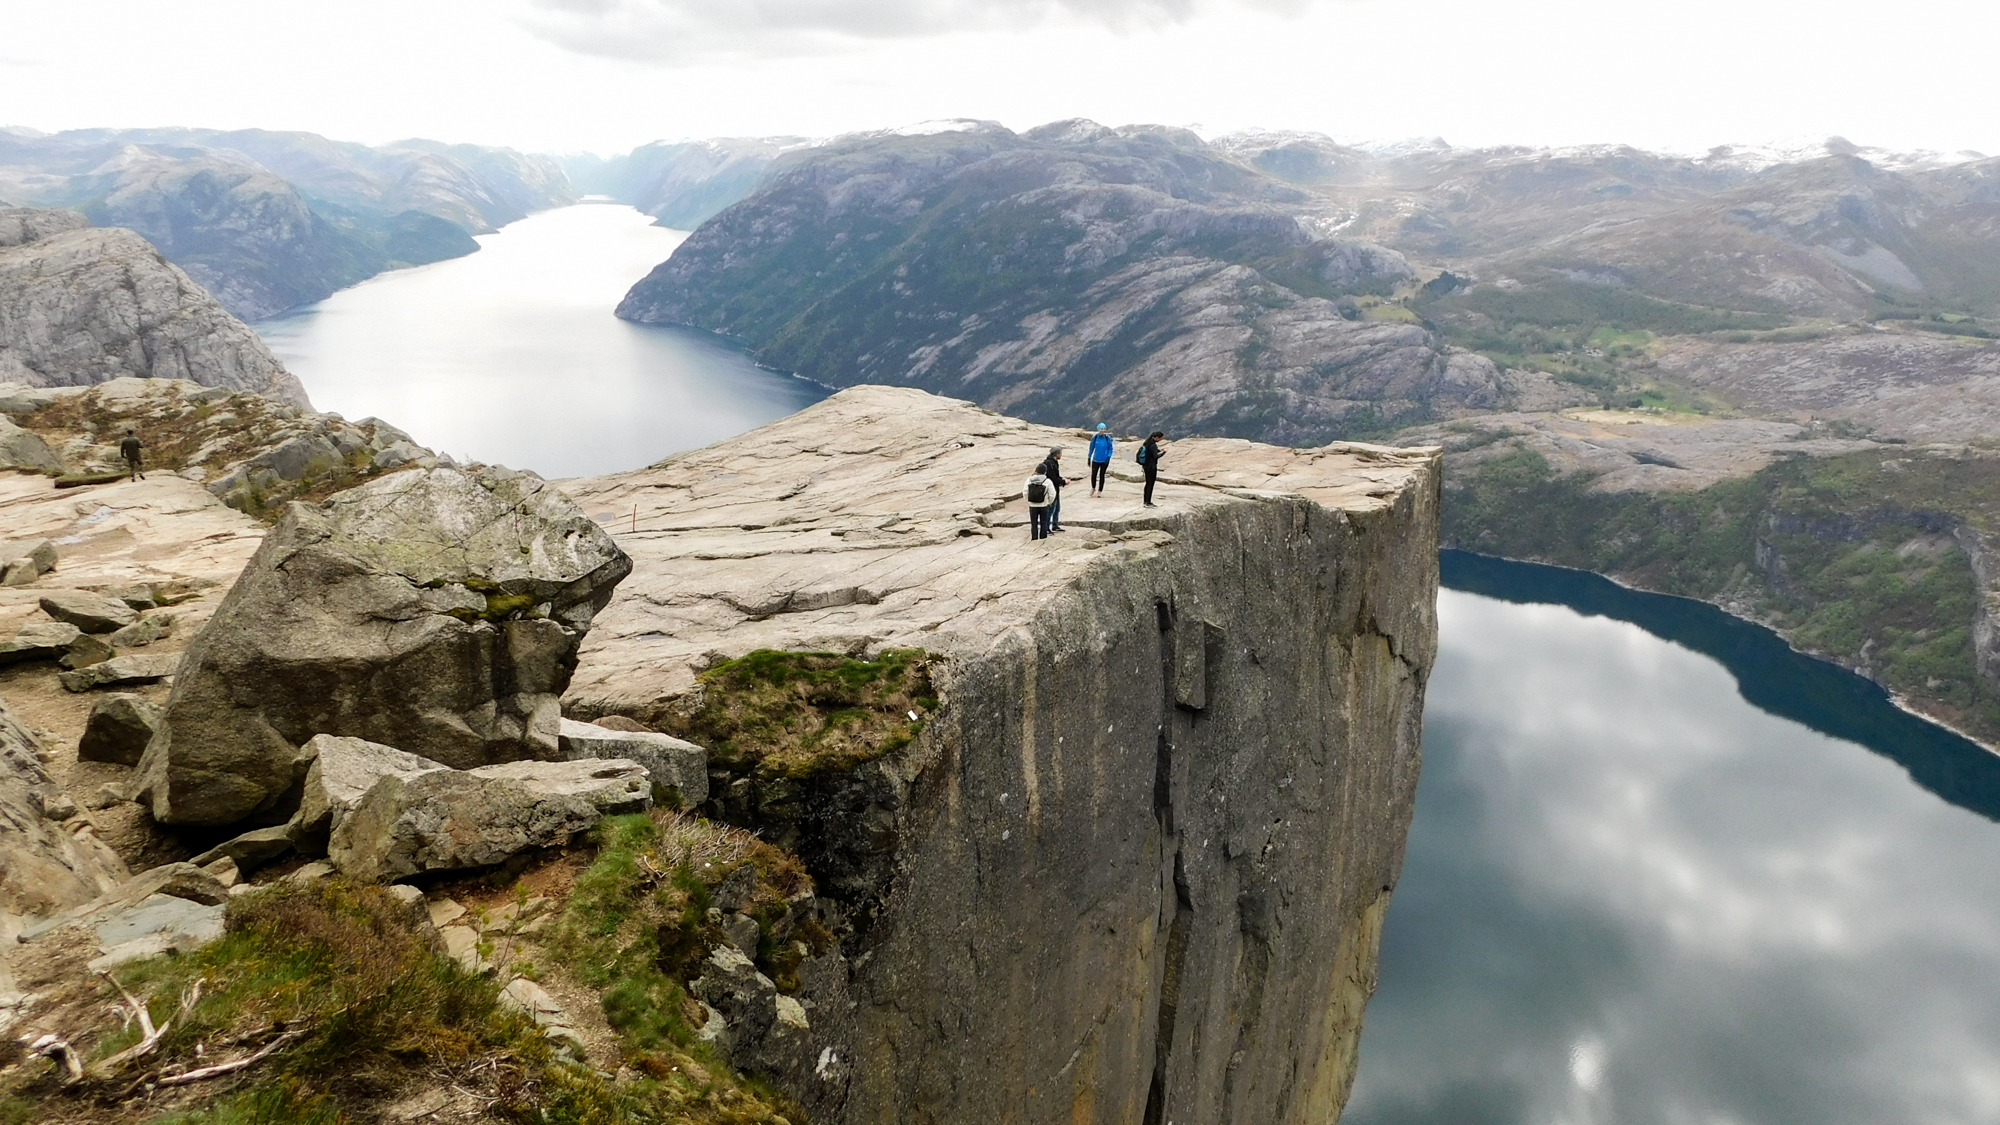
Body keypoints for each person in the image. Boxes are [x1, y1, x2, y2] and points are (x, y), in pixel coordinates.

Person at [1035, 446, 1072, 532]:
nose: (1061, 455)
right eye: (1060, 453)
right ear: (1057, 454)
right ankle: (1046, 527)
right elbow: (1052, 478)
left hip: (1056, 488)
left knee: (1057, 508)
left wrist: (1063, 479)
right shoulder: (1049, 464)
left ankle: (1055, 525)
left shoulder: (1054, 462)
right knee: (1051, 508)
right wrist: (1063, 482)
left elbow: (1056, 476)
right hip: (1051, 489)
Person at [1025, 462, 1056, 540]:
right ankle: (1043, 539)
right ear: (1045, 472)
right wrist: (1048, 502)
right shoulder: (1047, 481)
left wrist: (1028, 502)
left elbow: (1025, 492)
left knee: (1034, 523)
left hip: (1032, 505)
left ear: (1036, 471)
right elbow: (1052, 494)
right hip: (1044, 505)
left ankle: (1034, 538)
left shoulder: (1029, 480)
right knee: (1044, 522)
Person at [1138, 431, 1165, 506]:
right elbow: (1155, 456)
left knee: (1147, 483)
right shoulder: (1153, 445)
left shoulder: (1147, 443)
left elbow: (1150, 452)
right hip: (1151, 467)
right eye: (1161, 438)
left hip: (1146, 466)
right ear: (1157, 437)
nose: (1161, 440)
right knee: (1150, 484)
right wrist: (1164, 453)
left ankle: (1145, 501)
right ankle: (1148, 502)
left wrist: (1159, 450)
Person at [1087, 423, 1113, 496]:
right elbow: (1091, 448)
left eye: (1104, 429)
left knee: (1102, 475)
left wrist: (1108, 457)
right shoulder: (1095, 438)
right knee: (1094, 475)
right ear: (1098, 429)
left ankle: (1100, 490)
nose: (1103, 430)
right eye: (1101, 429)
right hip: (1096, 459)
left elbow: (1110, 448)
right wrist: (1089, 457)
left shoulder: (1108, 438)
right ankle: (1093, 487)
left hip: (1104, 460)